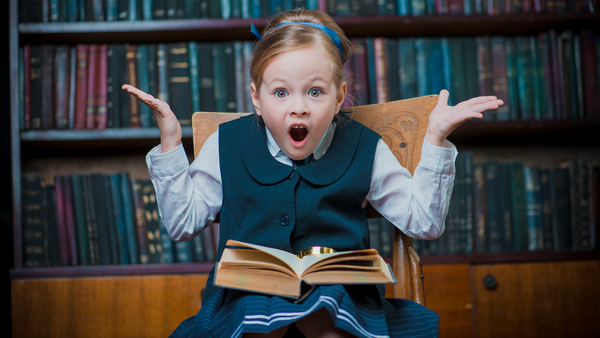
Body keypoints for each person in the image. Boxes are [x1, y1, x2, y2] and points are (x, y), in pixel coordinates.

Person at [123, 9, 503, 338]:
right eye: (281, 93)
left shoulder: (364, 146)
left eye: (316, 92)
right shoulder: (228, 143)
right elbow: (182, 222)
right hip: (245, 293)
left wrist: (435, 139)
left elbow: (423, 223)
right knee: (256, 320)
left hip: (341, 294)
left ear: (340, 97)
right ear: (256, 97)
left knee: (327, 313)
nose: (299, 108)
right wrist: (172, 144)